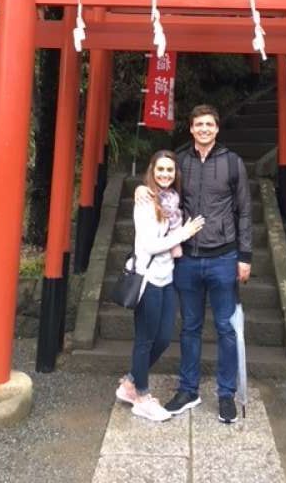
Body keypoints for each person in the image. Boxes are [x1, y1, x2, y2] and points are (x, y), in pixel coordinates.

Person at [136, 104, 252, 424]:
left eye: (209, 125)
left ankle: (225, 393)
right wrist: (142, 189)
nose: (203, 129)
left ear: (216, 129)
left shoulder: (232, 163)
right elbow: (161, 183)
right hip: (186, 257)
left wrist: (245, 256)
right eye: (198, 124)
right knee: (190, 327)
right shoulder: (181, 161)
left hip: (224, 256)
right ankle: (188, 389)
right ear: (190, 128)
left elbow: (244, 210)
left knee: (226, 328)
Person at [115, 150, 205, 422]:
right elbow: (150, 244)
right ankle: (141, 396)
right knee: (145, 339)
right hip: (149, 278)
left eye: (170, 170)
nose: (165, 174)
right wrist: (184, 234)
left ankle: (130, 382)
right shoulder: (145, 202)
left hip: (167, 276)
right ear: (151, 170)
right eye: (160, 169)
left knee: (164, 337)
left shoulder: (172, 202)